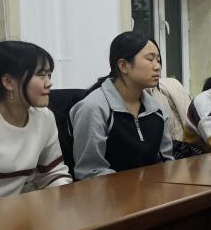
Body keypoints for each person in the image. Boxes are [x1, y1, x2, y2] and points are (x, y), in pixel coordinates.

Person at [0, 41, 72, 206]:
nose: (49, 83)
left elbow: (53, 173)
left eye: (49, 75)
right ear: (8, 82)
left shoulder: (44, 117)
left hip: (18, 214)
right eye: (41, 75)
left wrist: (62, 202)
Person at [70, 31, 173, 180]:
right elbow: (90, 172)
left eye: (158, 60)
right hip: (110, 192)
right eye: (150, 59)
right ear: (123, 65)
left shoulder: (156, 109)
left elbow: (166, 161)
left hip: (152, 189)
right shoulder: (93, 108)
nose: (157, 67)